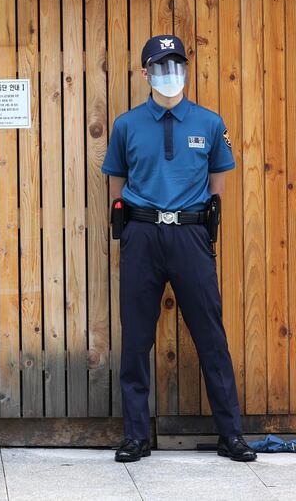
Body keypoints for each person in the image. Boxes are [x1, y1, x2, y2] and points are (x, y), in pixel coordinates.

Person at [102, 35, 256, 463]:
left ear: (186, 69)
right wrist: (127, 226)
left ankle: (231, 435)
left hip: (190, 234)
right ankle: (136, 436)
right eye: (161, 66)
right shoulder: (126, 125)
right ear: (145, 72)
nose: (170, 75)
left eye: (176, 65)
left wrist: (202, 225)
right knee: (135, 339)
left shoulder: (208, 122)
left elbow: (217, 184)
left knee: (211, 336)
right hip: (142, 235)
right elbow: (116, 183)